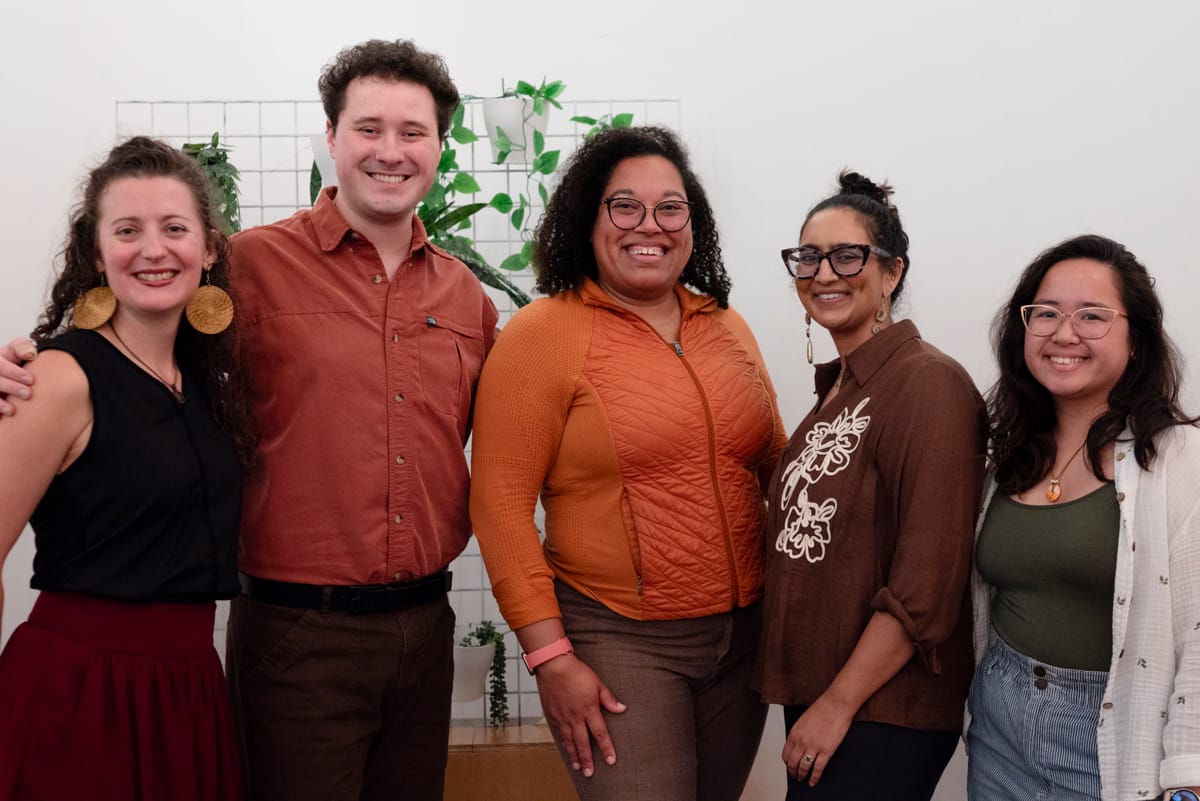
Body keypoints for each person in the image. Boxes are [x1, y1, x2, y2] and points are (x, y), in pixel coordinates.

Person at [0, 39, 498, 801]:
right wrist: (19, 365)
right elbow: (131, 350)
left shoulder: (467, 297)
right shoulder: (250, 266)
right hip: (298, 633)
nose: (390, 151)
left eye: (413, 132)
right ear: (331, 136)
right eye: (368, 128)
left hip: (426, 626)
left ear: (439, 145)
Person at [468, 125, 786, 801]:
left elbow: (776, 466)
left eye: (671, 208)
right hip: (618, 638)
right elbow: (499, 506)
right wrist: (550, 657)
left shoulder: (726, 326)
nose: (650, 225)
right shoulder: (542, 333)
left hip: (743, 640)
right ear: (589, 220)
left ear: (692, 225)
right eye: (625, 206)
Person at [0, 136, 253, 800]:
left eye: (174, 228)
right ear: (96, 252)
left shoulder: (203, 383)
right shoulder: (58, 377)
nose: (153, 249)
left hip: (188, 688)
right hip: (79, 693)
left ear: (209, 249)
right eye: (127, 230)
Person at [755, 171, 986, 800]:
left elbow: (927, 583)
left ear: (891, 273)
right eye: (808, 257)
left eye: (848, 255)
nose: (824, 273)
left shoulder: (928, 382)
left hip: (879, 709)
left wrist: (837, 704)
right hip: (827, 696)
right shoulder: (841, 387)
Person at [967, 234, 1200, 800]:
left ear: (1137, 341)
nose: (1064, 333)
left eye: (1092, 316)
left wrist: (1187, 778)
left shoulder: (1180, 458)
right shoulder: (1007, 456)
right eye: (1046, 313)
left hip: (1113, 736)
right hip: (997, 730)